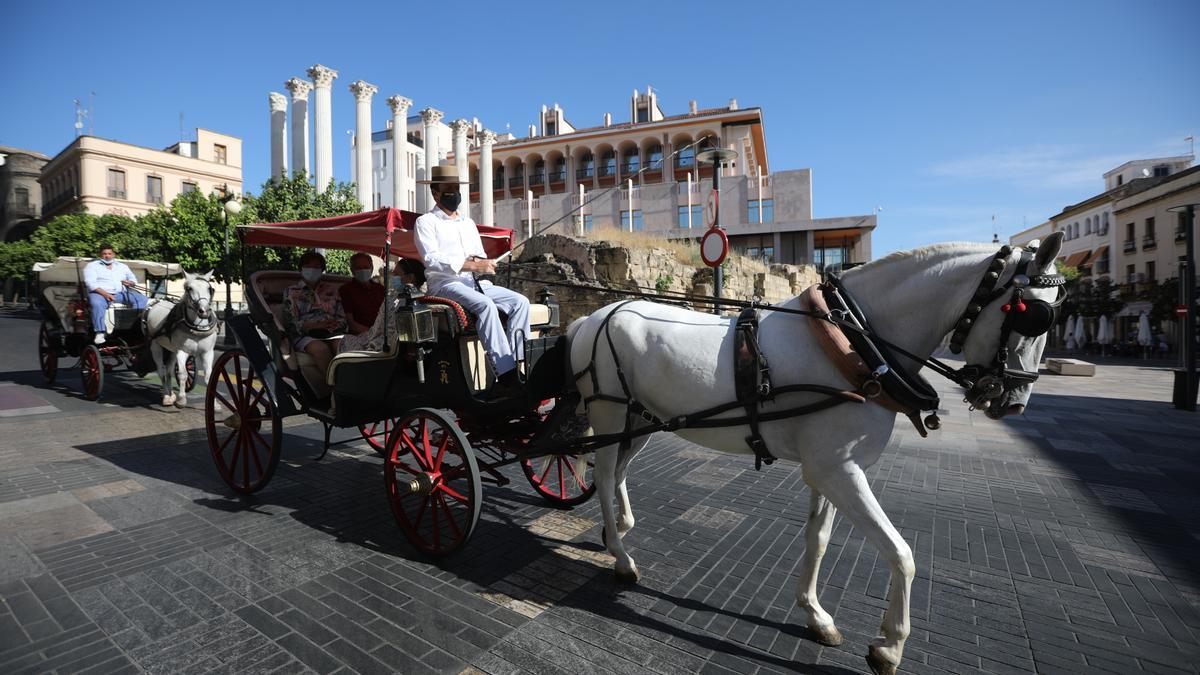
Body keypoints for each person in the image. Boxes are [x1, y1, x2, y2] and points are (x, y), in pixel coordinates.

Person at [414, 164, 530, 392]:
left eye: (457, 188)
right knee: (485, 305)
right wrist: (473, 264)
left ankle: (519, 363)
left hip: (474, 283)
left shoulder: (467, 224)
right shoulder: (426, 222)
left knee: (520, 302)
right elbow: (432, 260)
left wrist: (485, 264)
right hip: (444, 285)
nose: (454, 194)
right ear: (435, 193)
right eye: (448, 189)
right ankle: (505, 373)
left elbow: (479, 255)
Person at [282, 250, 346, 376]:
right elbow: (291, 323)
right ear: (301, 269)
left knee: (343, 347)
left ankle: (348, 382)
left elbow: (342, 317)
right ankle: (333, 386)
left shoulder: (331, 290)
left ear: (322, 270)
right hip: (305, 335)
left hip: (331, 332)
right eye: (308, 266)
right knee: (320, 349)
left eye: (316, 267)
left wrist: (333, 324)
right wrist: (316, 326)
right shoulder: (291, 292)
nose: (312, 270)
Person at [83, 244, 148, 344]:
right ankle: (100, 332)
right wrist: (105, 295)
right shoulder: (92, 266)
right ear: (100, 254)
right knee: (96, 303)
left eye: (109, 253)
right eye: (104, 254)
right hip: (99, 294)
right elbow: (90, 283)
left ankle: (136, 326)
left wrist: (130, 283)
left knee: (142, 299)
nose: (107, 256)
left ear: (113, 254)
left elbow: (133, 280)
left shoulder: (122, 266)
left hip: (120, 293)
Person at [338, 252, 385, 335]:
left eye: (366, 267)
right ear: (352, 270)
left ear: (372, 268)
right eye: (358, 268)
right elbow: (350, 323)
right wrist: (372, 333)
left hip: (382, 333)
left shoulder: (380, 289)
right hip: (359, 335)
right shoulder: (346, 290)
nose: (363, 270)